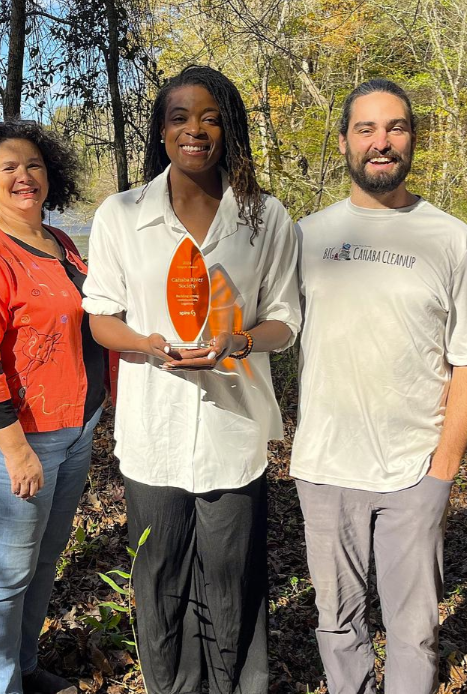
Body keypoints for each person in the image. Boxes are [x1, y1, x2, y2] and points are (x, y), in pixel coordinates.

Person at [81, 65, 301, 694]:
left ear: (230, 128)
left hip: (234, 432)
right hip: (153, 432)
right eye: (179, 117)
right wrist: (147, 345)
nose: (195, 129)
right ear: (160, 130)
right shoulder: (122, 214)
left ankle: (239, 684)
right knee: (160, 575)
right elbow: (101, 318)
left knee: (233, 576)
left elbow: (284, 320)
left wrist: (239, 342)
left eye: (210, 117)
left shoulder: (265, 217)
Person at [291, 79, 467, 694]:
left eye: (395, 128)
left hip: (413, 469)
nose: (382, 142)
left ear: (412, 139)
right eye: (366, 129)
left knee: (414, 629)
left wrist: (443, 470)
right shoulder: (304, 236)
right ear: (346, 141)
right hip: (324, 467)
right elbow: (260, 329)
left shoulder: (451, 238)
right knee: (337, 621)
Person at [0, 120, 106, 694]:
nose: (23, 176)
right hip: (12, 439)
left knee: (44, 560)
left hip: (74, 429)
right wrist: (15, 452)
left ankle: (27, 667)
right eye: (8, 168)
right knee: (9, 570)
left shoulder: (62, 243)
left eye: (33, 166)